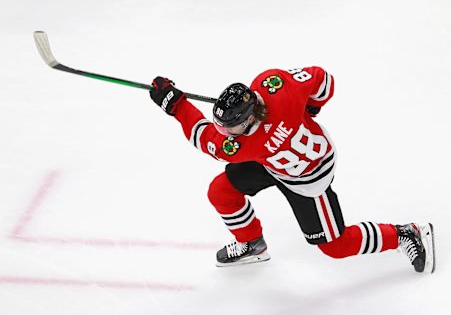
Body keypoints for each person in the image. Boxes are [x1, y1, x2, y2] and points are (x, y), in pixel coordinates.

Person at [149, 66, 436, 273]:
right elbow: (323, 80)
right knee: (221, 190)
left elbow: (201, 135)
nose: (225, 132)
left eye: (230, 127)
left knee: (335, 246)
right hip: (276, 161)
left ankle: (405, 233)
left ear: (248, 120)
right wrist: (309, 108)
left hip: (309, 178)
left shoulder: (241, 147)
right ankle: (252, 244)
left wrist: (176, 105)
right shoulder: (274, 85)